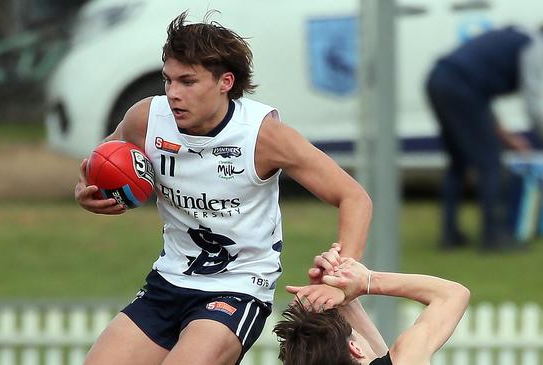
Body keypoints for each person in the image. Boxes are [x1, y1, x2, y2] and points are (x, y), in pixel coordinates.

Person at [74, 11, 373, 365]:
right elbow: (101, 163)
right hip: (168, 281)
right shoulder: (146, 118)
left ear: (225, 82)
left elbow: (354, 196)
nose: (173, 94)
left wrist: (338, 282)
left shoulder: (263, 136)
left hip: (239, 288)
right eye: (168, 81)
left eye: (188, 81)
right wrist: (87, 191)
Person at [425, 25, 543, 251]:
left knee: (458, 162)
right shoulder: (535, 48)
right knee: (491, 163)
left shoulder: (516, 37)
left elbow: (480, 100)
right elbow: (535, 104)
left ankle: (450, 235)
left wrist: (507, 137)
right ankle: (495, 236)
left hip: (439, 80)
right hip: (459, 86)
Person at [274, 255, 470, 365]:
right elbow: (452, 295)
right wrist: (367, 281)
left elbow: (381, 358)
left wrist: (338, 292)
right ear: (355, 348)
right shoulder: (405, 358)